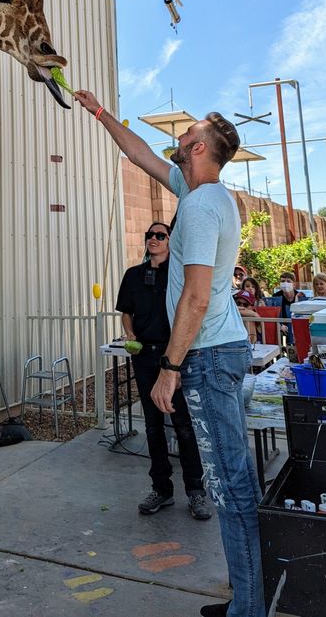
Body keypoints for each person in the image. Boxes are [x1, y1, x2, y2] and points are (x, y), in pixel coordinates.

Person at [74, 90, 264, 617]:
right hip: (213, 351)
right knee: (232, 480)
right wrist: (99, 113)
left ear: (200, 147)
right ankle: (245, 600)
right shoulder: (198, 192)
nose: (178, 138)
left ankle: (249, 609)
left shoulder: (202, 204)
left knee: (230, 486)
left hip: (205, 354)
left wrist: (171, 368)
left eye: (188, 134)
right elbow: (140, 156)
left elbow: (196, 296)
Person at [116, 222, 212, 520]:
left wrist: (178, 359)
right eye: (150, 235)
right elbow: (126, 313)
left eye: (161, 235)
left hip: (174, 357)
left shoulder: (180, 274)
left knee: (183, 424)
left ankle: (196, 490)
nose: (154, 239)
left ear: (170, 241)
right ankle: (161, 488)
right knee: (153, 426)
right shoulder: (133, 275)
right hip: (145, 357)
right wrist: (131, 337)